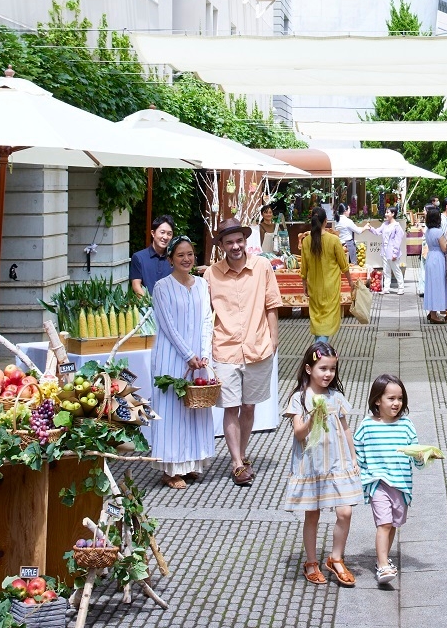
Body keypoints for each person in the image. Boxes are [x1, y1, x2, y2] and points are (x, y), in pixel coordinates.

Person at [206, 217, 281, 487]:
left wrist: (273, 339)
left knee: (249, 406)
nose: (235, 246)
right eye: (229, 242)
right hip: (225, 349)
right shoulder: (211, 274)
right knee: (230, 407)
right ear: (222, 246)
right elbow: (204, 314)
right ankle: (237, 463)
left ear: (246, 241)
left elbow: (272, 304)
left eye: (239, 241)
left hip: (257, 346)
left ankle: (242, 452)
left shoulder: (262, 267)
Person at [285, 342, 363, 588]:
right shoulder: (299, 398)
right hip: (312, 465)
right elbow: (299, 433)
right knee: (313, 514)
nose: (328, 374)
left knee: (345, 511)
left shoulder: (336, 397)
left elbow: (345, 428)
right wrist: (312, 419)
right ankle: (311, 562)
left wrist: (353, 457)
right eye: (323, 368)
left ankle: (335, 558)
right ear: (309, 369)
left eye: (332, 369)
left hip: (338, 463)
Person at [150, 236, 214, 489]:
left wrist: (204, 353)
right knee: (171, 412)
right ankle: (170, 469)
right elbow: (168, 326)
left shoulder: (201, 284)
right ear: (170, 259)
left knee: (195, 411)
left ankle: (190, 464)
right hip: (171, 358)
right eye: (180, 255)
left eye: (190, 254)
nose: (186, 259)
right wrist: (188, 355)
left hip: (198, 359)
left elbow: (207, 319)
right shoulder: (162, 287)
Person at [353, 375, 423, 588]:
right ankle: (383, 565)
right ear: (377, 400)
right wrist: (357, 467)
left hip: (401, 485)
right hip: (378, 483)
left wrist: (422, 457)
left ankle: (381, 558)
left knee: (393, 524)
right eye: (391, 398)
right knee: (383, 523)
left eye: (400, 398)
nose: (396, 403)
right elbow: (356, 449)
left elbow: (416, 455)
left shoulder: (406, 425)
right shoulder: (367, 425)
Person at [300, 206, 352, 342]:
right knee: (327, 321)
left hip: (314, 288)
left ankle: (318, 347)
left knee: (317, 319)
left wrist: (304, 285)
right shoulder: (333, 240)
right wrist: (351, 283)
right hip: (331, 288)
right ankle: (320, 349)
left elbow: (304, 267)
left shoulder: (306, 241)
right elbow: (344, 265)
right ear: (326, 221)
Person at [129, 214, 175, 296]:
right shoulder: (139, 257)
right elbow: (136, 285)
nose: (165, 237)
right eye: (162, 232)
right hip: (147, 302)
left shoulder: (174, 258)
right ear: (153, 233)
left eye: (169, 234)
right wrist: (149, 302)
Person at [421, 205, 447, 322]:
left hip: (430, 256)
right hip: (438, 258)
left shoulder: (428, 231)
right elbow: (444, 248)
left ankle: (432, 311)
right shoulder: (439, 232)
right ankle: (434, 315)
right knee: (438, 284)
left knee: (431, 285)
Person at [378, 207, 406, 294]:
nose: (386, 214)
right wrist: (369, 228)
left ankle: (401, 287)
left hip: (392, 252)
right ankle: (386, 288)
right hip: (384, 251)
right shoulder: (385, 224)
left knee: (396, 270)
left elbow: (398, 240)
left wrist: (395, 253)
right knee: (386, 270)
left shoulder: (397, 226)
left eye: (388, 212)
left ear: (393, 214)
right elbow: (377, 231)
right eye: (386, 212)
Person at [336, 202, 359, 266]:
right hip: (348, 244)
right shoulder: (348, 221)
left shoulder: (337, 220)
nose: (350, 211)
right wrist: (365, 227)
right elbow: (358, 231)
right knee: (353, 265)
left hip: (340, 244)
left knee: (342, 265)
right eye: (349, 209)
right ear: (345, 211)